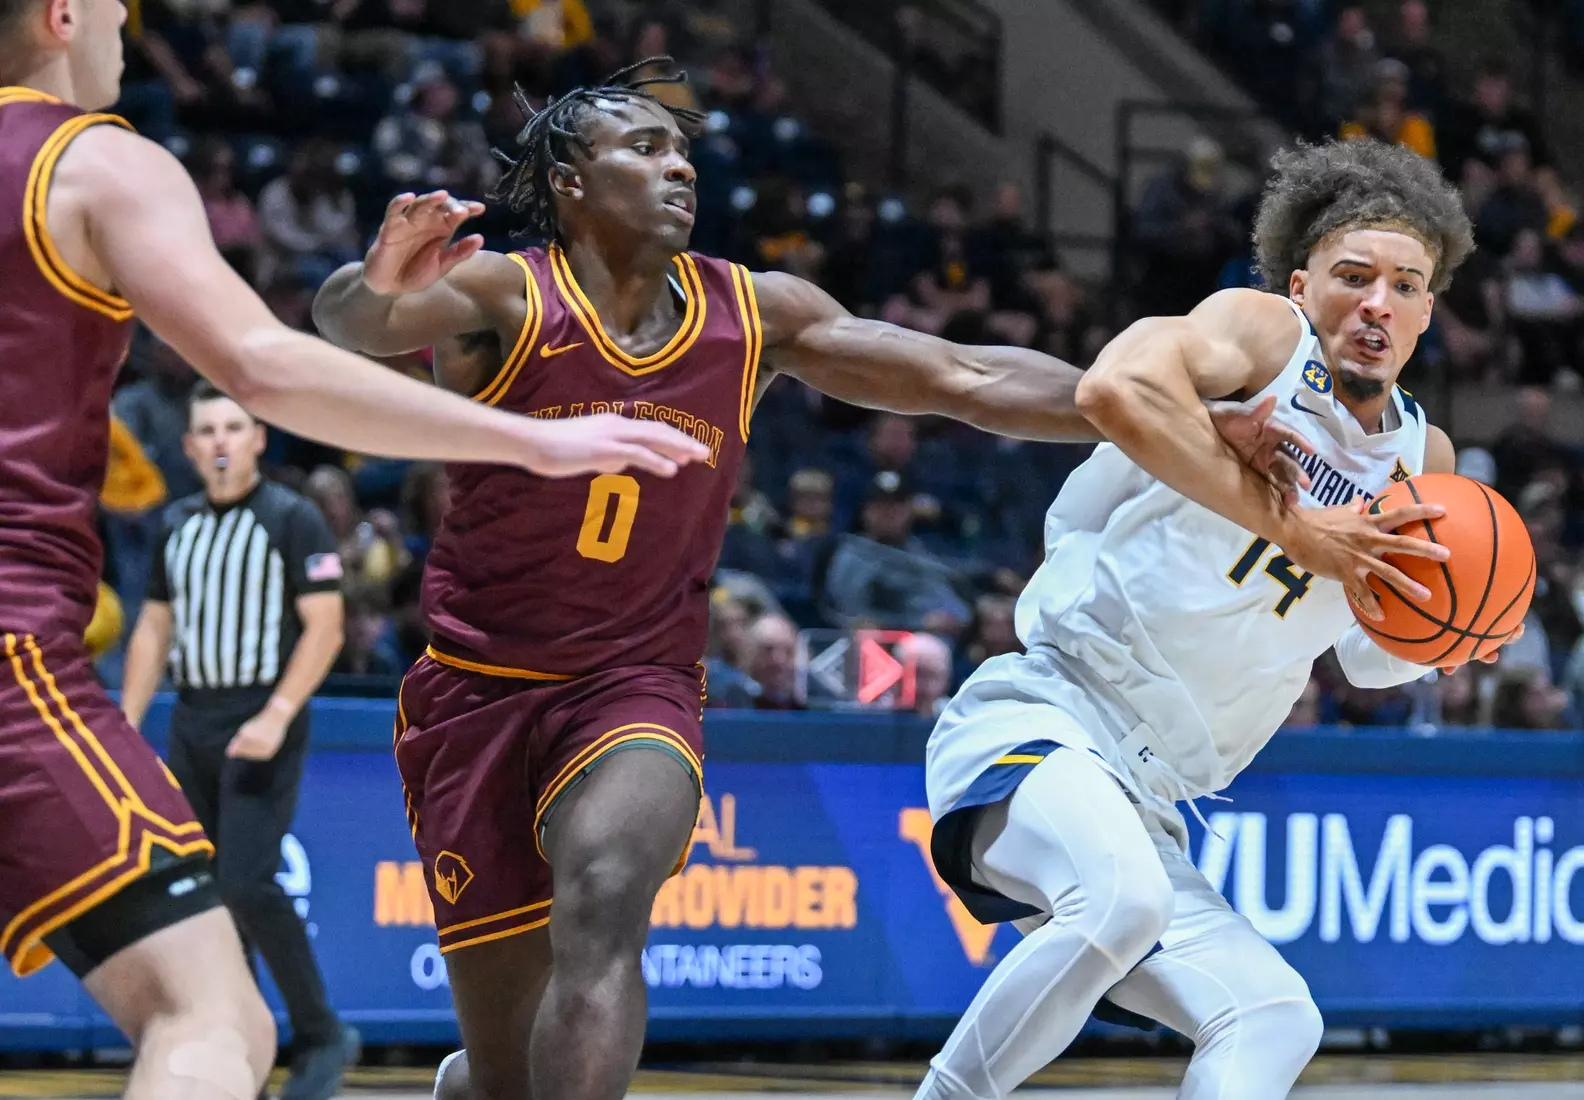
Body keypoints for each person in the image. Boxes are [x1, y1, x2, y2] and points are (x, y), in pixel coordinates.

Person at [308, 59, 1307, 1100]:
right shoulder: (504, 295)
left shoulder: (752, 311)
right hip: (476, 691)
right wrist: (376, 280)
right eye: (642, 147)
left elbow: (959, 376)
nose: (677, 164)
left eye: (681, 148)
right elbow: (353, 325)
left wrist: (1156, 420)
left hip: (632, 684)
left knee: (607, 893)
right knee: (511, 1075)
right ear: (568, 180)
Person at [0, 1, 705, 1096]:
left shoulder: (736, 310)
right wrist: (533, 439)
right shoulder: (90, 161)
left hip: (271, 712)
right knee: (209, 1016)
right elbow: (271, 361)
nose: (129, 35)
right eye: (118, 14)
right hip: (33, 662)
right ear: (61, 15)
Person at [917, 139, 1519, 1100]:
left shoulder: (1424, 455)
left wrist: (1458, 638)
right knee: (1118, 899)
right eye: (1353, 277)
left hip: (1153, 801)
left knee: (1276, 1015)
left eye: (1407, 285)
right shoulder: (1260, 338)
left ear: (1428, 313)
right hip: (1051, 715)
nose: (1378, 303)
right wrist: (1298, 527)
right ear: (1300, 281)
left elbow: (1365, 658)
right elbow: (1112, 388)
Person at [120, 384, 356, 1100]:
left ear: (257, 438)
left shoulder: (293, 519)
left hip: (262, 715)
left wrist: (278, 714)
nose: (220, 440)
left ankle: (320, 1033)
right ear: (188, 448)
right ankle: (240, 1043)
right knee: (208, 901)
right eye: (206, 431)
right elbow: (154, 628)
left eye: (233, 426)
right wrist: (125, 731)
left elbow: (326, 627)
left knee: (249, 880)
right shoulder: (178, 524)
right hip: (194, 718)